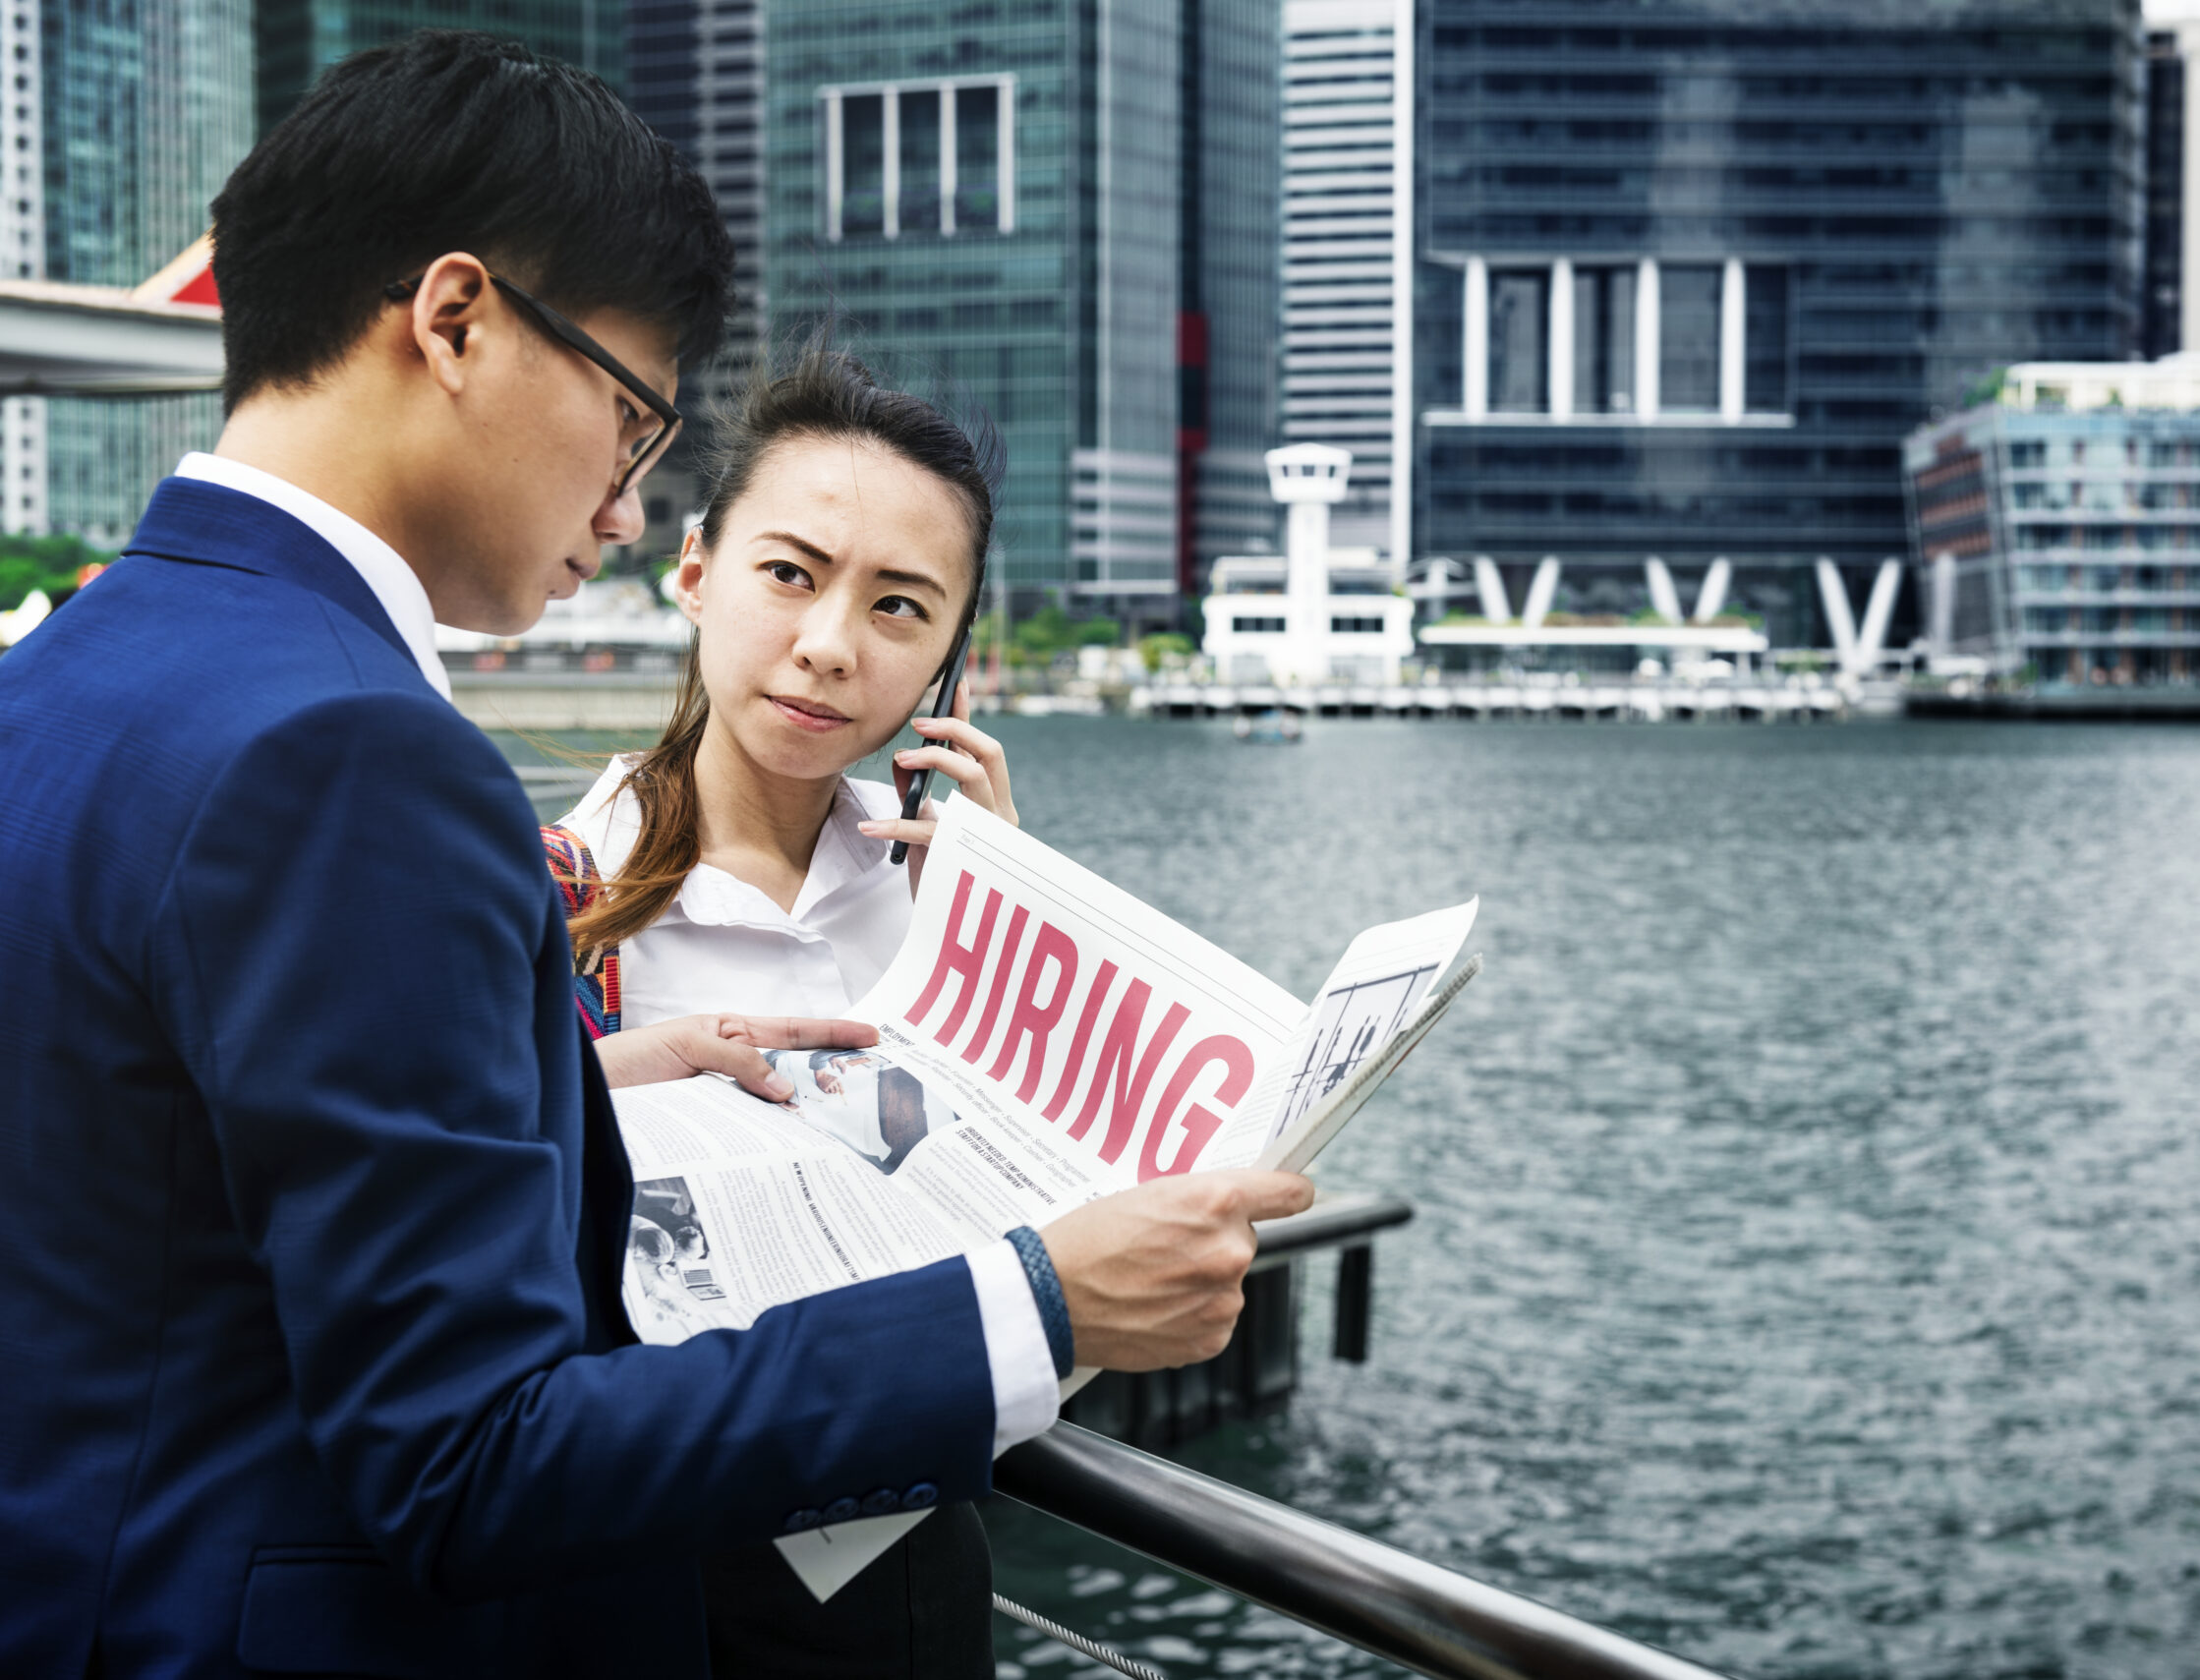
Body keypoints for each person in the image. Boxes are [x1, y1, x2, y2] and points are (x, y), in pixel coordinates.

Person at [0, 32, 1310, 1678]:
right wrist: (1036, 1306)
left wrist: (574, 1083)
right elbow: (475, 1458)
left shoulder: (62, 669)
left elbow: (163, 1163)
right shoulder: (354, 752)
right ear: (455, 320)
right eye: (630, 421)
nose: (621, 510)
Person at [540, 350, 1030, 1675]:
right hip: (662, 1562)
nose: (829, 644)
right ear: (695, 570)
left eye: (900, 607)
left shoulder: (940, 883)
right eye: (791, 573)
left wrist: (1011, 919)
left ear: (947, 657)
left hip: (917, 1555)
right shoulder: (563, 902)